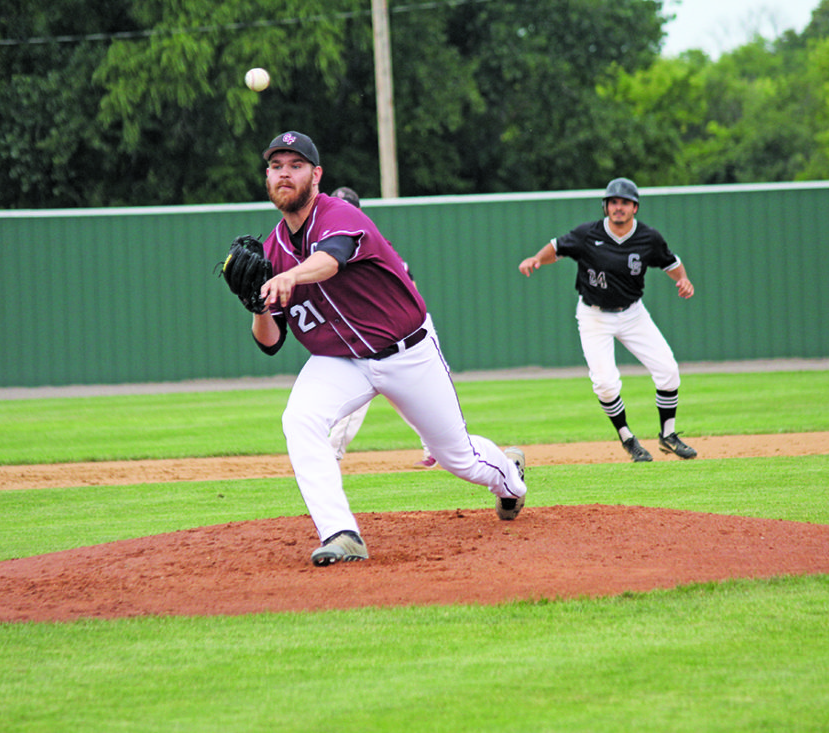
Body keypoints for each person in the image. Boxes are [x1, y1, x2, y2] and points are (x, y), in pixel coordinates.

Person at [244, 131, 526, 566]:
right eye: (276, 166)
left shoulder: (338, 214)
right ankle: (341, 533)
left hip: (406, 352)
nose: (285, 173)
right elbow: (271, 342)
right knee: (299, 420)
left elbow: (331, 258)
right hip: (339, 360)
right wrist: (258, 306)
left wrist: (290, 277)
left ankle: (509, 478)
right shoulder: (271, 250)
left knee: (457, 458)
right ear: (267, 176)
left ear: (315, 175)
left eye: (295, 165)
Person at [517, 177, 697, 463]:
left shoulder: (648, 238)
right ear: (606, 206)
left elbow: (670, 263)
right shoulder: (588, 234)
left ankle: (668, 436)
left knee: (668, 370)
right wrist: (536, 259)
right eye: (613, 202)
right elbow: (557, 247)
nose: (618, 207)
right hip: (594, 316)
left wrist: (684, 280)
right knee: (605, 384)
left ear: (635, 207)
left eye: (625, 202)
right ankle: (628, 438)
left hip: (632, 313)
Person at [325, 186, 436, 468]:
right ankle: (435, 447)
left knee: (395, 396)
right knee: (398, 396)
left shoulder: (369, 241)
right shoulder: (330, 242)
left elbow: (409, 285)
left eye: (347, 207)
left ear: (358, 211)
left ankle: (328, 456)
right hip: (364, 332)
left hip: (387, 333)